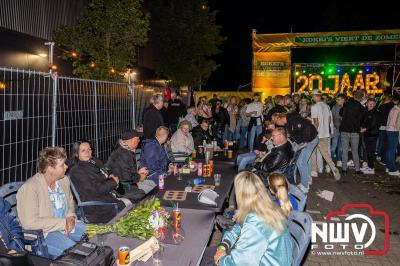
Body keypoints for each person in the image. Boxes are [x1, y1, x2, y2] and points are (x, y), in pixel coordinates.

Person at [17, 147, 85, 258]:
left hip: (68, 225)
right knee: (78, 255)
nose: (66, 167)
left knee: (96, 237)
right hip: (44, 235)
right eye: (62, 165)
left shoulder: (63, 180)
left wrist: (71, 216)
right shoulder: (30, 188)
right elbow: (29, 223)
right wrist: (63, 223)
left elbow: (70, 202)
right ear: (50, 169)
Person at [214, 171, 293, 266]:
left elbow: (241, 263)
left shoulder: (256, 223)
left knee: (206, 257)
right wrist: (224, 245)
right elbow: (238, 227)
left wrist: (221, 260)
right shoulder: (267, 207)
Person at [69, 141, 128, 223]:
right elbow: (95, 190)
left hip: (110, 194)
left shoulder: (94, 161)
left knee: (136, 194)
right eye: (83, 150)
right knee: (133, 201)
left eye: (89, 149)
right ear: (76, 153)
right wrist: (113, 182)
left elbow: (106, 172)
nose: (87, 152)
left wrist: (111, 177)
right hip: (99, 207)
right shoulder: (77, 171)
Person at [275, 112, 318, 193]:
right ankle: (307, 180)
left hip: (310, 140)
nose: (278, 125)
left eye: (277, 122)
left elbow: (307, 126)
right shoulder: (289, 122)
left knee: (301, 162)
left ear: (279, 118)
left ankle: (305, 186)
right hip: (309, 139)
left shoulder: (293, 119)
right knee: (305, 161)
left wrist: (305, 141)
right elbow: (296, 133)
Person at [106, 129, 155, 198]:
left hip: (127, 183)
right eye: (137, 139)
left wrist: (139, 172)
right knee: (151, 190)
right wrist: (140, 177)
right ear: (129, 141)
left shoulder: (125, 150)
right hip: (122, 188)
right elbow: (126, 178)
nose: (139, 141)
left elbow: (127, 171)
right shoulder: (123, 154)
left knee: (152, 184)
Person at [310, 89, 341, 181]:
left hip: (317, 133)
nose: (312, 97)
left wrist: (313, 133)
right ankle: (331, 167)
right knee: (325, 152)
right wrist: (329, 131)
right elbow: (329, 120)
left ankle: (315, 170)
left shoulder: (314, 107)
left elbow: (316, 122)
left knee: (313, 152)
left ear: (316, 96)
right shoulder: (327, 106)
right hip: (325, 133)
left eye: (313, 96)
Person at [340, 90, 366, 174]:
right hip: (355, 131)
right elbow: (362, 120)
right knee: (355, 151)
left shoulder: (346, 104)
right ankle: (357, 169)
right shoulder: (362, 108)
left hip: (344, 130)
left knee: (345, 150)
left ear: (354, 96)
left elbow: (340, 113)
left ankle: (344, 169)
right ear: (361, 98)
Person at [360, 98, 379, 174]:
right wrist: (361, 126)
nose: (371, 105)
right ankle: (369, 166)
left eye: (372, 104)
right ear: (367, 104)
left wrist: (365, 129)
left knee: (371, 151)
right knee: (368, 151)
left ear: (374, 105)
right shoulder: (366, 111)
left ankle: (371, 168)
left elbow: (373, 124)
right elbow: (363, 120)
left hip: (372, 135)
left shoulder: (375, 113)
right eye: (369, 103)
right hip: (367, 134)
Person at [376, 92, 394, 164]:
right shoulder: (392, 106)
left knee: (382, 142)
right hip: (390, 126)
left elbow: (378, 117)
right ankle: (384, 158)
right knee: (388, 144)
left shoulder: (381, 106)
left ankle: (381, 156)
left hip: (382, 126)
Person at [385, 95, 400, 176]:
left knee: (390, 150)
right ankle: (392, 169)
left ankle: (388, 166)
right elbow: (394, 123)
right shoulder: (397, 110)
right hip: (393, 131)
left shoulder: (394, 109)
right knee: (392, 150)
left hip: (390, 130)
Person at [331, 94, 345, 167]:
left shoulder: (346, 107)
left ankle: (339, 160)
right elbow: (333, 118)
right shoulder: (335, 107)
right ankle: (330, 161)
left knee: (341, 146)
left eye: (339, 99)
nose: (337, 101)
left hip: (343, 129)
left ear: (343, 100)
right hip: (336, 128)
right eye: (337, 99)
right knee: (334, 146)